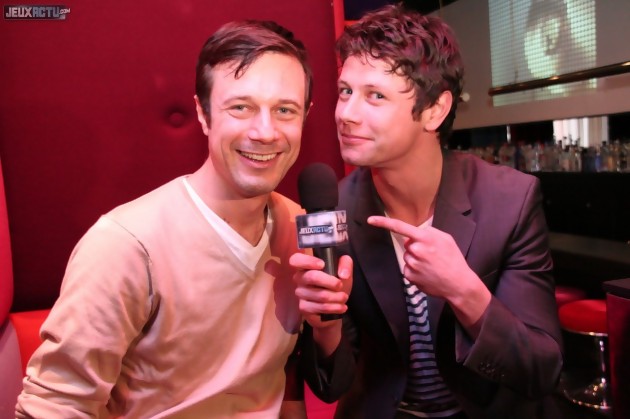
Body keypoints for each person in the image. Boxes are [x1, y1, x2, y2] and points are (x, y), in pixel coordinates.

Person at [16, 19, 312, 418]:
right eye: (241, 107)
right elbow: (55, 405)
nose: (265, 131)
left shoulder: (298, 226)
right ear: (203, 114)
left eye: (284, 110)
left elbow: (286, 374)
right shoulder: (125, 245)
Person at [290, 4, 563, 418]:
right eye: (345, 91)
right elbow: (333, 386)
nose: (346, 114)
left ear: (435, 110)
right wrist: (325, 325)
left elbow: (541, 369)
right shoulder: (336, 210)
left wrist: (463, 290)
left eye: (375, 96)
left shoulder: (509, 200)